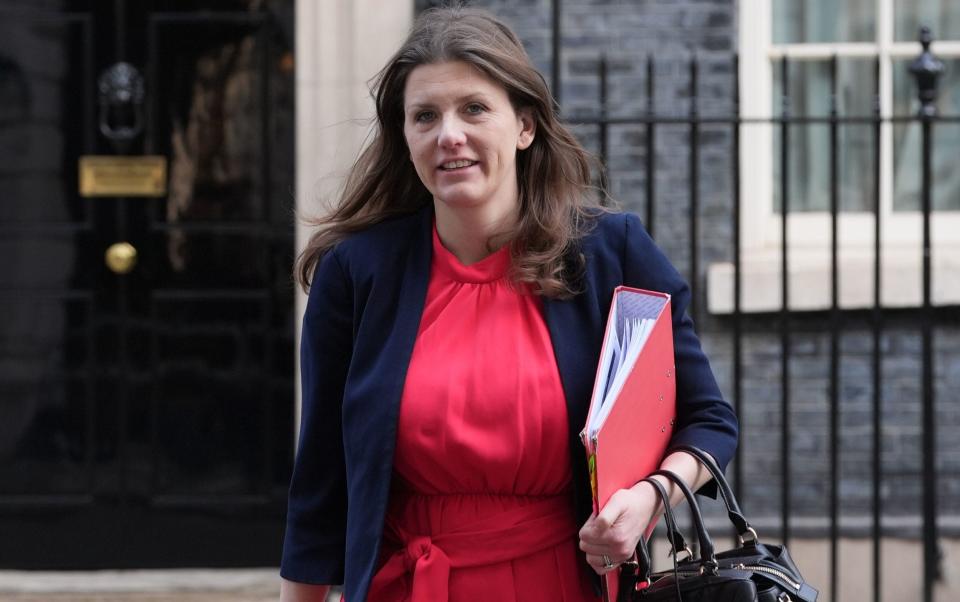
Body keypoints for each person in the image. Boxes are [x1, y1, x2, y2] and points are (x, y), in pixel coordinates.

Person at [279, 6, 738, 602]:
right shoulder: (357, 274)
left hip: (564, 583)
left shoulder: (608, 255)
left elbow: (709, 421)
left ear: (524, 127)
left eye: (474, 108)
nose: (449, 134)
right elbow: (320, 482)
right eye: (425, 116)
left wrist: (650, 496)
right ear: (406, 137)